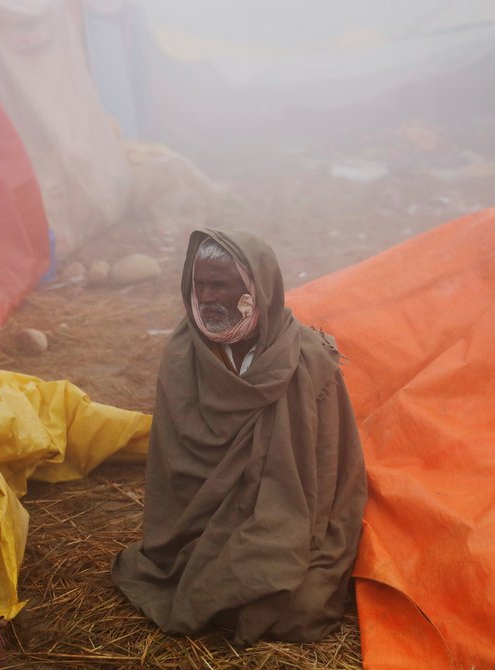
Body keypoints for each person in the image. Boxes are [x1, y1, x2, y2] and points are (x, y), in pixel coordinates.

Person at [112, 229, 367, 645]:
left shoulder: (308, 360)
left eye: (220, 285)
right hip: (194, 530)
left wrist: (304, 534)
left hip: (284, 516)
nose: (207, 297)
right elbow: (173, 470)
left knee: (295, 606)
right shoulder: (183, 357)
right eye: (200, 285)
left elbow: (332, 468)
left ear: (254, 289)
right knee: (204, 588)